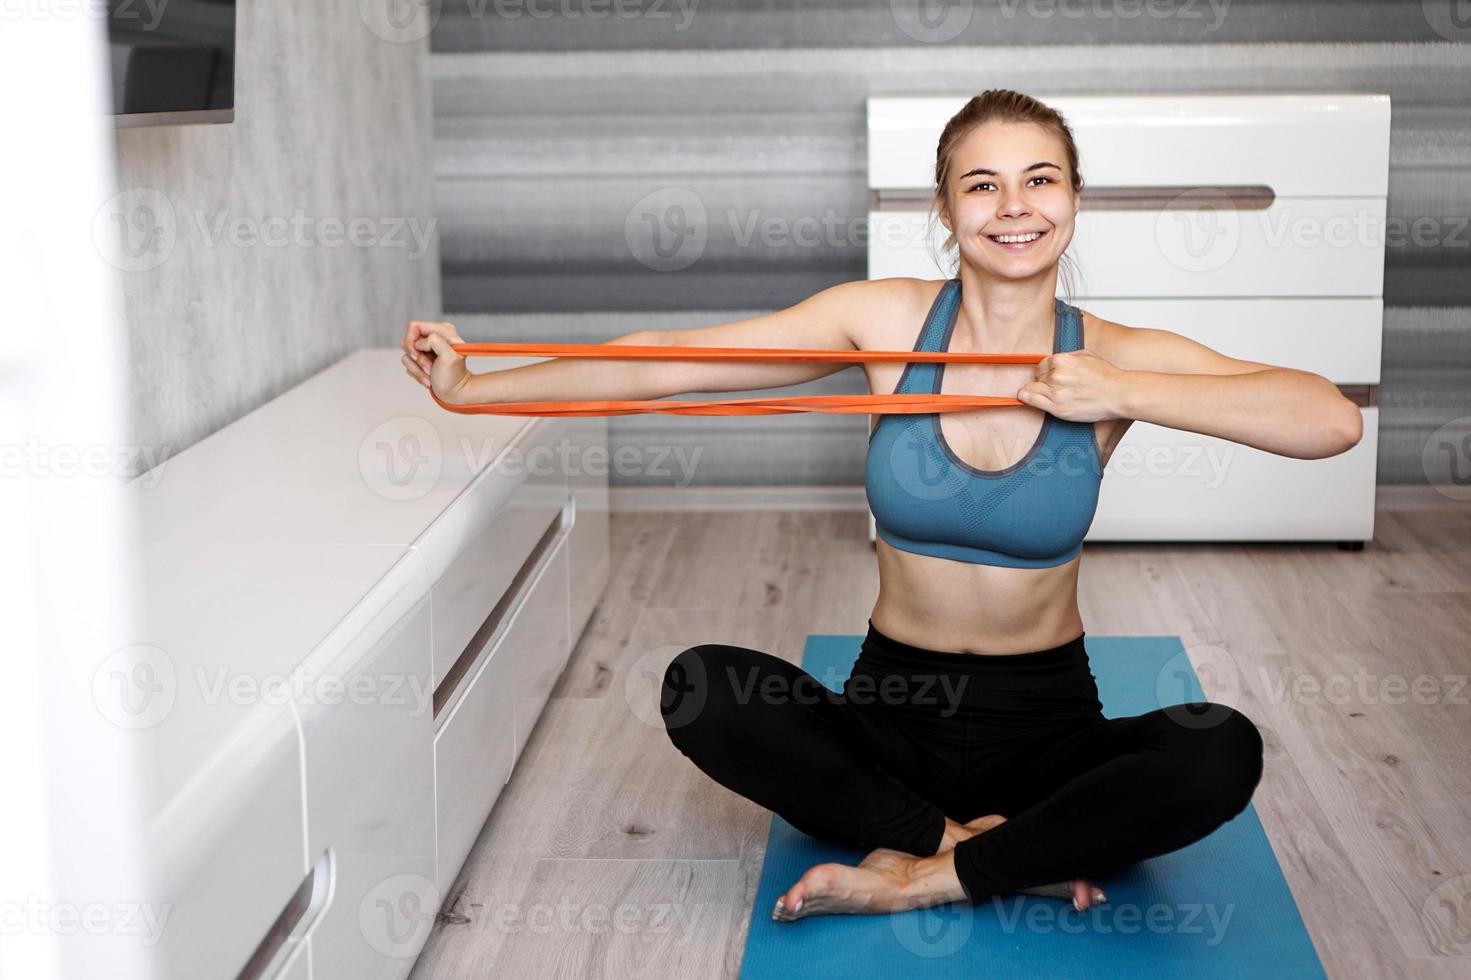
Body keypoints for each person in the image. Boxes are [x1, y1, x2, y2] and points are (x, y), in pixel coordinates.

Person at [401, 89, 1363, 921]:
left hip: (1049, 731)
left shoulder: (1110, 357)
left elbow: (1326, 419)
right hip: (888, 717)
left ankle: (923, 877)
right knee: (700, 684)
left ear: (1073, 201)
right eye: (981, 184)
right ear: (945, 210)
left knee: (1219, 754)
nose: (1013, 206)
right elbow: (668, 360)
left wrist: (1122, 393)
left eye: (1040, 178)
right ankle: (984, 854)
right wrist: (471, 387)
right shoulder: (886, 320)